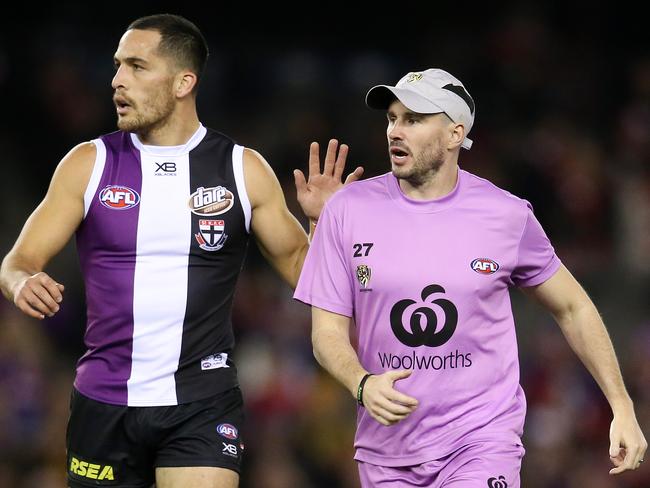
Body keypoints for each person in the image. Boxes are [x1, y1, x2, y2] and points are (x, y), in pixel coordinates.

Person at [0, 14, 361, 488]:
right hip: (106, 399)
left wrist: (325, 225)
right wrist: (23, 282)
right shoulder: (88, 164)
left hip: (201, 400)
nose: (117, 81)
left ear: (183, 82)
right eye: (116, 66)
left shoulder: (241, 169)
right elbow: (17, 262)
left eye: (136, 67)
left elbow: (304, 271)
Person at [294, 68, 647, 487]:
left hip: (480, 442)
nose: (395, 131)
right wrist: (362, 384)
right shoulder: (346, 209)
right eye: (392, 118)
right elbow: (326, 333)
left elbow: (573, 307)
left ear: (454, 134)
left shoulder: (507, 215)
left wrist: (621, 406)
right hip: (386, 453)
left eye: (414, 119)